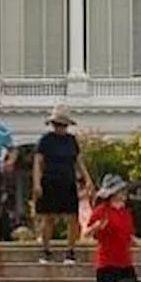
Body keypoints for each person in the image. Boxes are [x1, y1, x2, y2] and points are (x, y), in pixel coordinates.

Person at [31, 107, 93, 265]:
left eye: (63, 125)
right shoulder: (45, 140)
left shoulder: (72, 140)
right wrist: (37, 183)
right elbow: (38, 162)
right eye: (58, 124)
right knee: (49, 217)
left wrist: (87, 179)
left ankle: (70, 251)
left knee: (72, 218)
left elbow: (78, 161)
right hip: (49, 180)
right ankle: (46, 250)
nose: (60, 128)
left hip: (68, 181)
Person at [87, 174, 141, 282]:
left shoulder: (125, 213)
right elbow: (86, 233)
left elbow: (130, 236)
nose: (124, 193)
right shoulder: (101, 211)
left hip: (125, 262)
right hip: (107, 263)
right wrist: (96, 227)